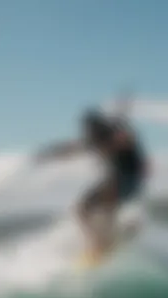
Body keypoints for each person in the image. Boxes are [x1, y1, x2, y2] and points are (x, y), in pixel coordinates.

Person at [35, 109, 150, 260]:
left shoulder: (114, 136)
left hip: (127, 182)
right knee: (82, 210)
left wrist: (121, 129)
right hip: (121, 184)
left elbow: (127, 141)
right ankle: (110, 237)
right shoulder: (96, 140)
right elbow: (73, 148)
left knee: (104, 200)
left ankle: (105, 241)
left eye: (90, 131)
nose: (88, 134)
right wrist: (49, 153)